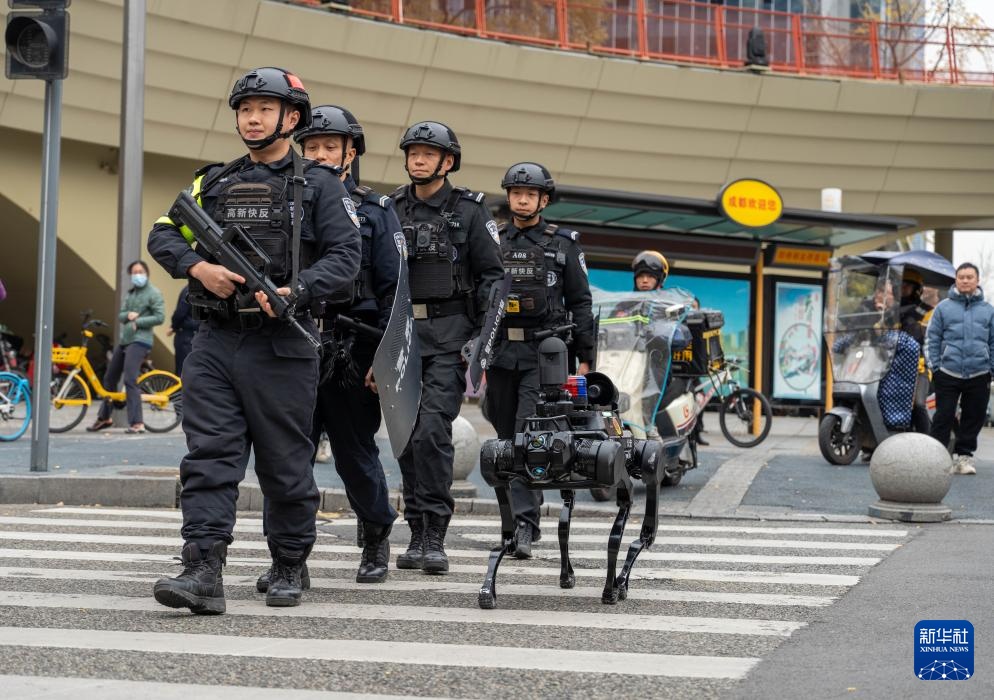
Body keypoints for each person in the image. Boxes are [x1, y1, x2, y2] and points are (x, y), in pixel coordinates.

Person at [147, 67, 361, 613]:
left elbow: (345, 259)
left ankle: (289, 560)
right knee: (209, 455)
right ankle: (202, 569)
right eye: (245, 109)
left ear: (292, 118)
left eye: (265, 109)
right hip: (216, 342)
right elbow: (164, 231)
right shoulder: (212, 183)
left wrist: (297, 289)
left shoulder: (320, 186)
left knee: (284, 462)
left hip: (282, 346)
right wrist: (199, 267)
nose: (253, 118)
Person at [266, 103, 399, 586]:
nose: (319, 155)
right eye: (312, 147)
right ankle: (288, 558)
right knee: (288, 455)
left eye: (329, 147)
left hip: (353, 348)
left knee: (352, 451)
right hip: (290, 342)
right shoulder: (283, 199)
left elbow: (393, 291)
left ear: (350, 153)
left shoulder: (377, 212)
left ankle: (377, 530)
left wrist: (383, 361)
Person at [390, 120, 504, 574]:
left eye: (427, 153)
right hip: (400, 341)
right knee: (403, 440)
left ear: (447, 161)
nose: (418, 159)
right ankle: (415, 529)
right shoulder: (391, 208)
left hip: (449, 340)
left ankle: (433, 532)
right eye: (412, 152)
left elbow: (495, 278)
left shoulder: (472, 211)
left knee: (432, 432)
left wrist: (482, 339)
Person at [483, 162, 594, 559]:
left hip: (543, 354)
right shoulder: (492, 239)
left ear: (544, 200)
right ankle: (511, 526)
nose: (523, 198)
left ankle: (525, 527)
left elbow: (581, 303)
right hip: (500, 354)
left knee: (527, 437)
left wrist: (585, 360)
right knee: (501, 439)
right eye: (516, 193)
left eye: (530, 194)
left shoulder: (564, 244)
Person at [926, 262, 994, 475]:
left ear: (977, 280)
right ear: (956, 280)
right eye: (961, 277)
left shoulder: (988, 310)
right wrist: (935, 367)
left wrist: (991, 368)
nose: (965, 280)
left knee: (973, 417)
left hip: (979, 372)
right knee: (942, 416)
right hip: (948, 372)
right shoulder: (943, 308)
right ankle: (937, 458)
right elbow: (931, 339)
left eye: (969, 277)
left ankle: (964, 459)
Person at [86, 260, 165, 434]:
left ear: (146, 273)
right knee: (109, 378)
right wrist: (127, 315)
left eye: (140, 271)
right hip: (125, 341)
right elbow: (121, 315)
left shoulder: (153, 293)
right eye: (134, 272)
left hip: (141, 340)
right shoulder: (131, 294)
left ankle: (138, 423)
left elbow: (160, 317)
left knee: (130, 379)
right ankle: (104, 417)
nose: (137, 275)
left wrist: (139, 321)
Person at [166, 285, 197, 376]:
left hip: (186, 335)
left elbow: (180, 313)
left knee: (182, 371)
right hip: (194, 335)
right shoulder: (199, 290)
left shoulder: (189, 289)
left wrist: (173, 326)